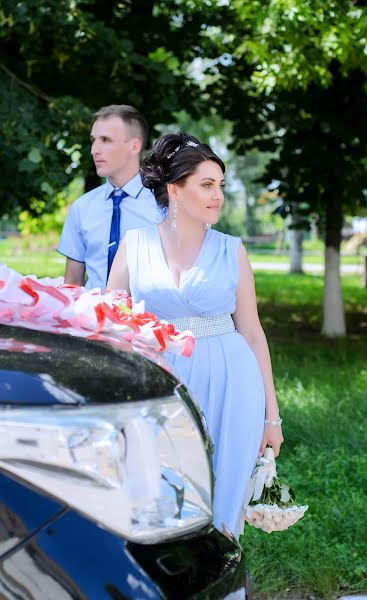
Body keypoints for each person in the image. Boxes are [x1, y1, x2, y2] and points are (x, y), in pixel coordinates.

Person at [107, 132, 283, 537]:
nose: (218, 195)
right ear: (174, 189)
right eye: (206, 185)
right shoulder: (134, 246)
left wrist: (271, 417)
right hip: (161, 379)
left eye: (220, 185)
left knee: (225, 501)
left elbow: (253, 333)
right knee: (164, 494)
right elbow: (112, 327)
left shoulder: (232, 249)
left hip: (231, 379)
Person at [57, 105, 164, 290]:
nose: (94, 150)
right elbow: (72, 285)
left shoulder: (164, 204)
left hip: (149, 317)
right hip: (92, 317)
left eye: (105, 140)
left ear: (134, 146)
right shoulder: (82, 208)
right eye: (93, 140)